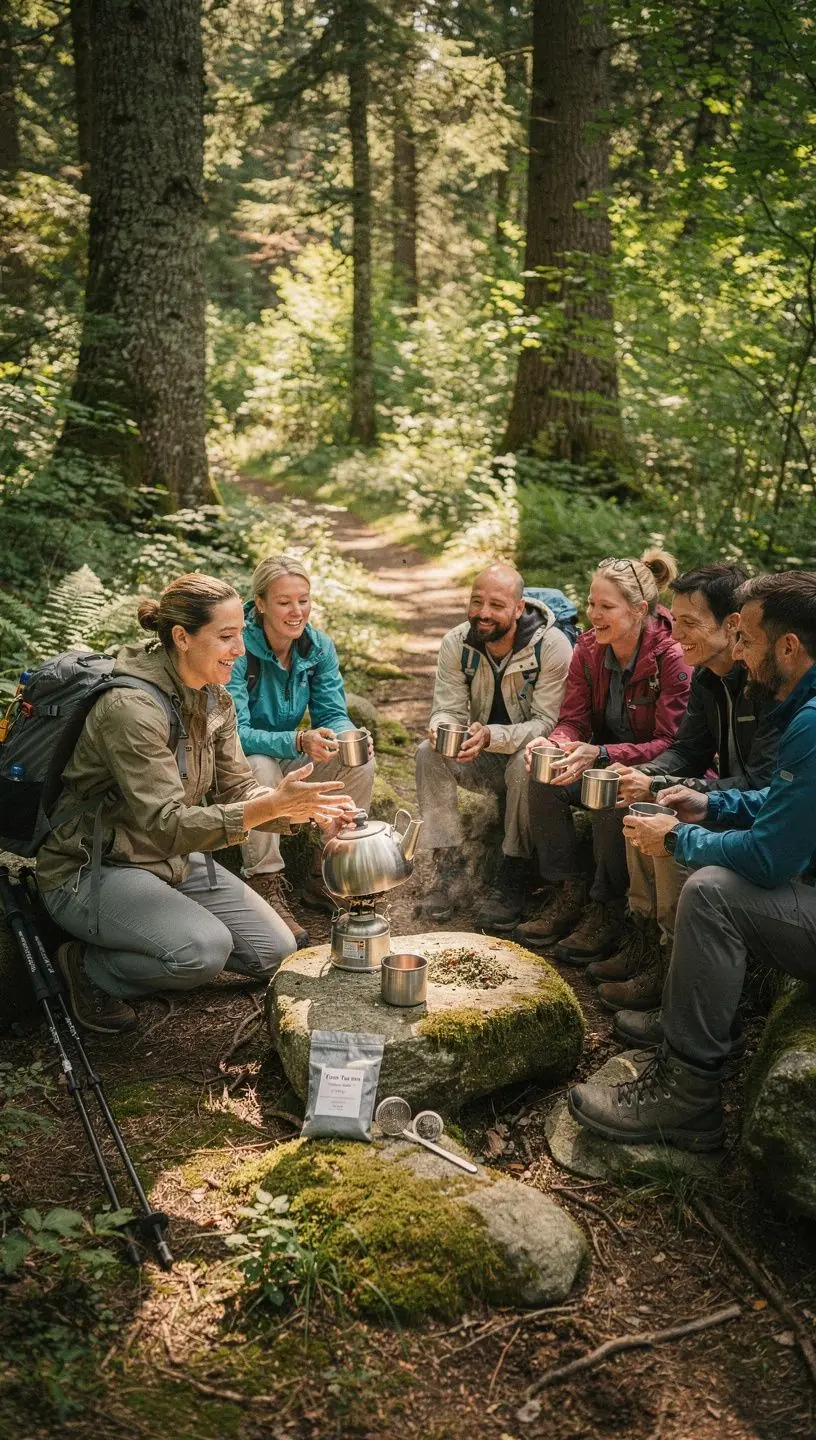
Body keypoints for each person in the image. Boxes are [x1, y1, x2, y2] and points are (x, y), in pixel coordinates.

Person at [36, 574, 355, 1035]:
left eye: (240, 636)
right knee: (201, 952)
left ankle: (162, 935)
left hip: (173, 859)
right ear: (182, 638)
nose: (240, 650)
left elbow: (240, 790)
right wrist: (269, 809)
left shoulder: (215, 697)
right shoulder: (130, 710)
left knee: (278, 953)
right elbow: (166, 824)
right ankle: (87, 969)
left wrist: (301, 809)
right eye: (226, 638)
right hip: (94, 866)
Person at [568, 571, 816, 1152]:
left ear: (788, 646)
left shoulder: (809, 720)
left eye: (748, 638)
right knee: (704, 864)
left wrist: (679, 840)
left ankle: (688, 1095)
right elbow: (778, 801)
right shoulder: (797, 705)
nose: (741, 649)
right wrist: (707, 802)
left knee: (710, 892)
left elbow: (770, 856)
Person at [590, 563, 779, 1020]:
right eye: (674, 622)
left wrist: (665, 784)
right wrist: (646, 773)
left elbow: (760, 786)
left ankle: (678, 973)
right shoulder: (708, 678)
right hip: (729, 800)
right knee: (640, 805)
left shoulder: (764, 685)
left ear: (733, 625)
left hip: (762, 818)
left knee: (668, 825)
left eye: (691, 624)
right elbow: (687, 751)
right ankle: (646, 947)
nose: (676, 636)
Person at [518, 551, 690, 964]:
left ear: (639, 610)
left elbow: (674, 743)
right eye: (591, 603)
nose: (593, 614)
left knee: (615, 802)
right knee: (543, 779)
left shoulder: (672, 657)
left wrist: (603, 752)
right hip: (602, 760)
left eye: (606, 606)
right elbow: (573, 718)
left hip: (658, 772)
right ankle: (567, 891)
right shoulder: (590, 648)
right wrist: (556, 743)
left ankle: (608, 909)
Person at [226, 554, 375, 946]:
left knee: (359, 763)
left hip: (290, 752)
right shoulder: (237, 647)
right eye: (284, 602)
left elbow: (332, 712)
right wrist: (297, 740)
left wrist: (347, 737)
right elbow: (235, 734)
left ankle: (329, 869)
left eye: (304, 600)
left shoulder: (317, 646)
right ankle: (265, 883)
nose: (297, 611)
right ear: (259, 603)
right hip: (241, 761)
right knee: (261, 768)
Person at [414, 562, 573, 930]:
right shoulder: (458, 642)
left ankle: (513, 873)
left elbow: (548, 725)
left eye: (497, 605)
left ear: (519, 608)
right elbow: (448, 708)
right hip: (483, 756)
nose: (483, 613)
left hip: (527, 762)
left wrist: (491, 735)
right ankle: (448, 866)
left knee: (523, 763)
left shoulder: (552, 647)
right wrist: (442, 728)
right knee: (428, 754)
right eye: (476, 601)